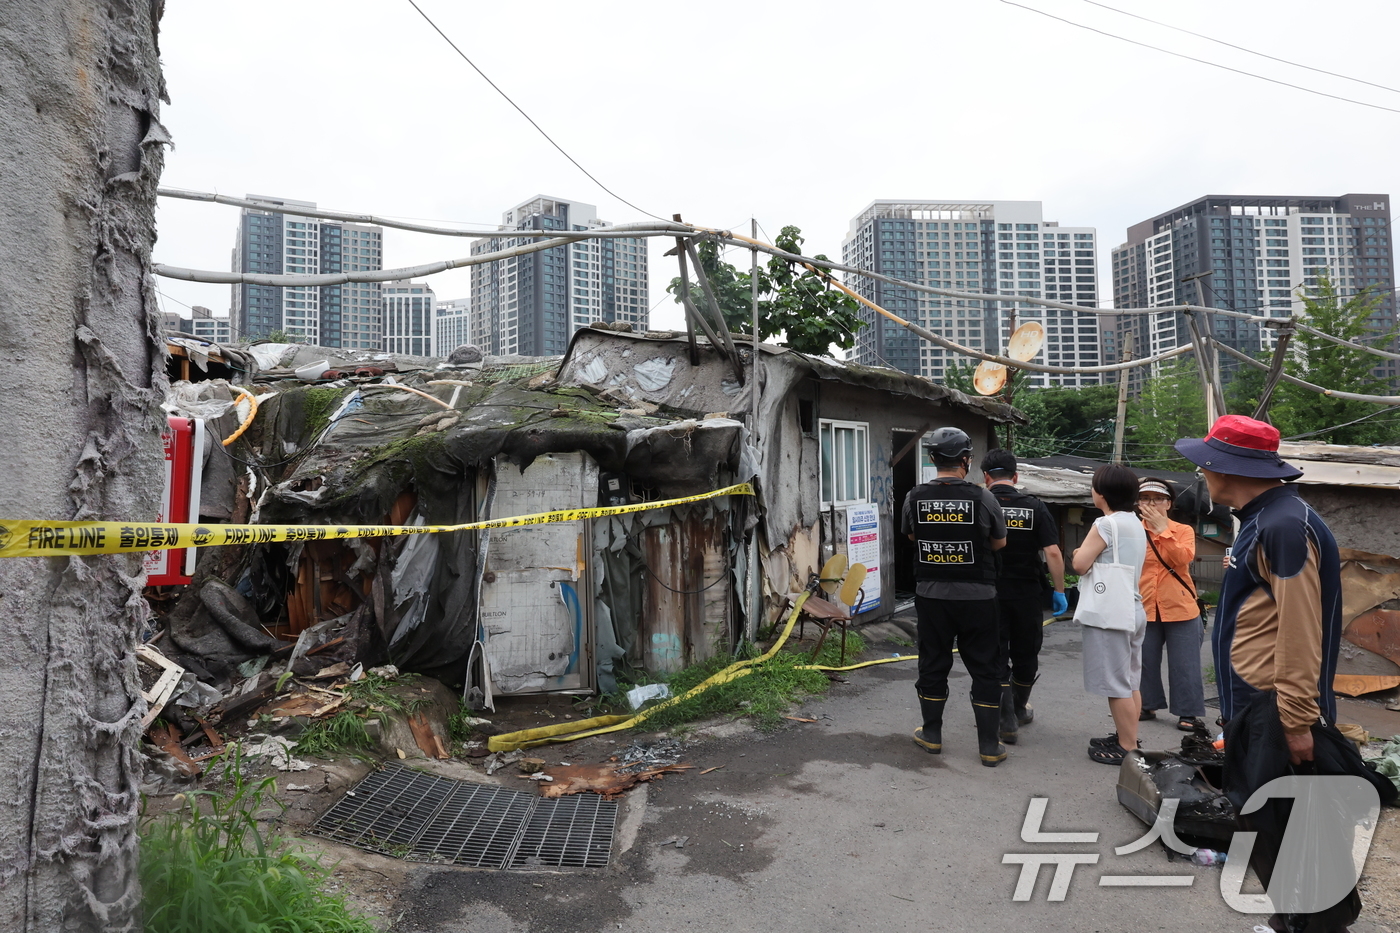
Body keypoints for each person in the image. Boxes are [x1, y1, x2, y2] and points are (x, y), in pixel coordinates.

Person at [1175, 416, 1367, 932]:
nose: (1199, 470)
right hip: (1256, 706)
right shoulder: (1263, 518)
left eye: (1204, 461)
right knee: (1270, 826)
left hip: (1274, 708)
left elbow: (1300, 629)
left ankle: (1315, 926)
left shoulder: (1283, 526)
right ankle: (1292, 922)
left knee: (1290, 829)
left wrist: (1297, 719)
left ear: (1224, 467)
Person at [900, 427, 1008, 766]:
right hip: (978, 597)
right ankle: (989, 746)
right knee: (985, 667)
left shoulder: (914, 496)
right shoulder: (984, 497)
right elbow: (999, 542)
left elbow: (912, 536)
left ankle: (931, 734)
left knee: (933, 662)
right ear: (966, 459)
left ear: (932, 458)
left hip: (931, 597)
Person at [980, 448, 1067, 744]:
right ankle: (1018, 707)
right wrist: (1059, 590)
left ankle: (1005, 720)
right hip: (1028, 593)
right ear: (1015, 477)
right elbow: (1053, 551)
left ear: (986, 477)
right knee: (1026, 652)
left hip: (989, 593)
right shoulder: (1035, 507)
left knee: (996, 654)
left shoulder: (981, 503)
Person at [1071, 463, 1147, 765]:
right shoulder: (1135, 522)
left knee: (1116, 684)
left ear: (1101, 493)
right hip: (1133, 606)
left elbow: (1080, 564)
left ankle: (1127, 747)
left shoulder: (1105, 524)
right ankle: (1127, 735)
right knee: (1130, 681)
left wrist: (1078, 553)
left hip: (1110, 612)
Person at [1136, 477, 1207, 732]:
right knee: (1144, 659)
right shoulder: (1132, 530)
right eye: (1145, 498)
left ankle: (1187, 712)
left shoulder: (1183, 531)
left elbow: (1183, 558)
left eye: (1157, 499)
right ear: (1137, 503)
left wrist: (1161, 530)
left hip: (1181, 607)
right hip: (1144, 605)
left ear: (1168, 503)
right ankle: (1147, 704)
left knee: (1185, 662)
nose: (1151, 503)